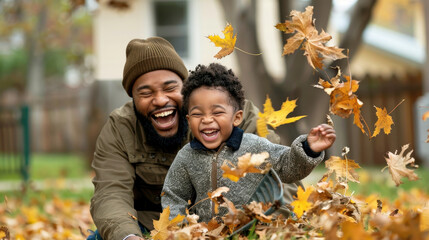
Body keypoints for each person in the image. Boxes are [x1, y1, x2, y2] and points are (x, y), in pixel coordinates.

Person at [89, 37, 297, 240]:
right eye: (145, 93)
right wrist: (128, 236)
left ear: (185, 87)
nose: (160, 100)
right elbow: (110, 193)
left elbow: (281, 176)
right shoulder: (121, 128)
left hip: (235, 223)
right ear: (133, 98)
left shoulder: (232, 115)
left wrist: (258, 227)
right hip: (153, 225)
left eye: (170, 88)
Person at [161, 63, 336, 222]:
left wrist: (308, 149)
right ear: (189, 119)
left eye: (217, 112)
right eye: (198, 114)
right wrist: (182, 227)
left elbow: (286, 166)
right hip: (210, 233)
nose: (206, 120)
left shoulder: (254, 146)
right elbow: (174, 195)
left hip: (253, 227)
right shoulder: (186, 156)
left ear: (236, 118)